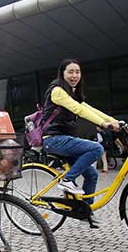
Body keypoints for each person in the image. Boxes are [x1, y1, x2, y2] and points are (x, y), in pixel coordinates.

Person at [42, 59, 119, 224]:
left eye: (77, 72)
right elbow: (79, 110)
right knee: (97, 149)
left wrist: (114, 120)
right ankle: (67, 180)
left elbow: (89, 109)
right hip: (53, 139)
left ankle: (83, 210)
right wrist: (102, 124)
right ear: (62, 73)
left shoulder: (72, 94)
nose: (74, 75)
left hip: (65, 139)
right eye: (70, 72)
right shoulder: (57, 91)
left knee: (91, 175)